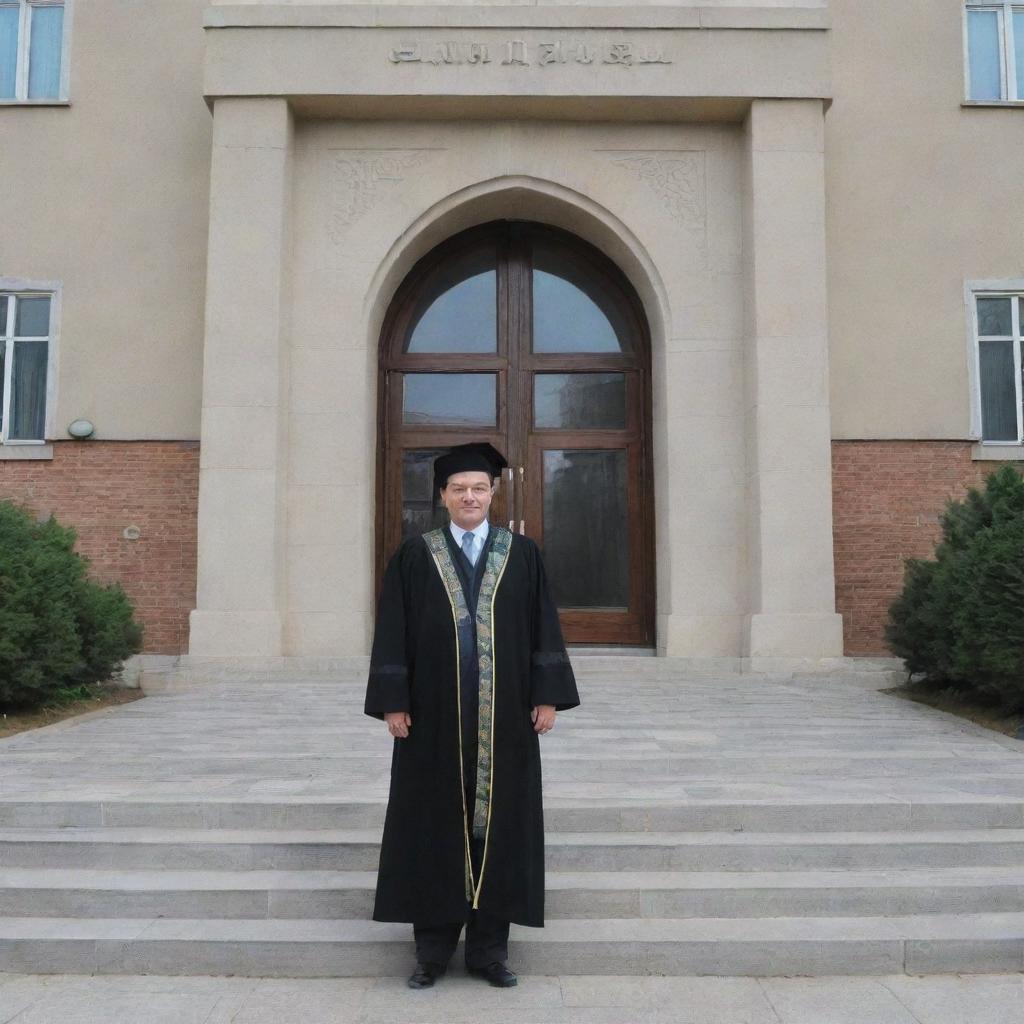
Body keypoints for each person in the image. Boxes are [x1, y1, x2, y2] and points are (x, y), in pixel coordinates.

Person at [364, 442, 580, 990]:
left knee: (500, 828)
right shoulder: (416, 555)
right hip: (431, 722)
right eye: (459, 489)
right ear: (442, 496)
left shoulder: (522, 554)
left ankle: (489, 952)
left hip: (504, 720)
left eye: (479, 488)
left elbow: (542, 626)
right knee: (431, 826)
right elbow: (393, 630)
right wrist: (394, 700)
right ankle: (431, 952)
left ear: (493, 493)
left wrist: (547, 694)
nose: (469, 496)